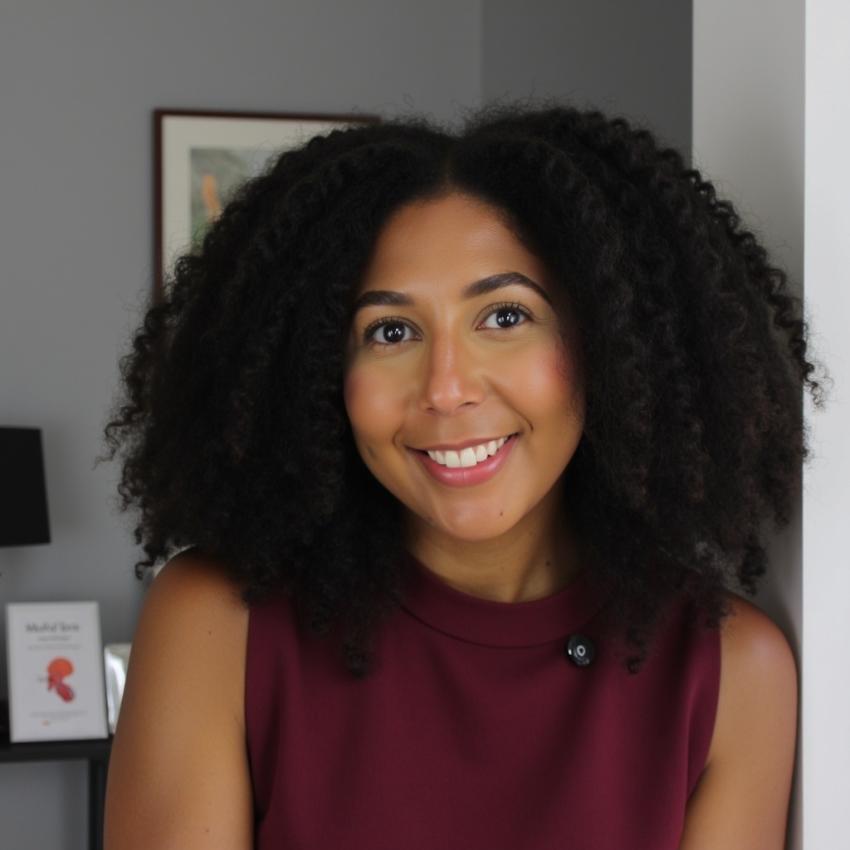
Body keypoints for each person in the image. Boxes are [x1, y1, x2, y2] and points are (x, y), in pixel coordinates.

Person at [100, 99, 826, 850]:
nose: (446, 388)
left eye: (505, 317)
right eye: (391, 331)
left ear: (610, 344)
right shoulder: (220, 626)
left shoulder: (729, 674)